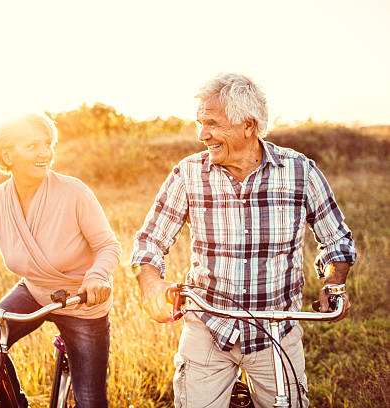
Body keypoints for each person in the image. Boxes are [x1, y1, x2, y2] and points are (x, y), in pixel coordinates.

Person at [130, 73, 356, 407]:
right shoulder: (188, 173)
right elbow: (150, 241)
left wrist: (334, 283)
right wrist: (151, 283)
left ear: (247, 126)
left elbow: (337, 239)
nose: (202, 134)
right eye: (200, 122)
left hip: (277, 332)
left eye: (212, 123)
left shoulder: (299, 171)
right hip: (209, 327)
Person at [0, 113, 120, 408]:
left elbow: (108, 245)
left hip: (82, 302)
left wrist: (97, 277)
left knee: (90, 401)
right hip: (34, 291)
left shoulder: (75, 192)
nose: (45, 152)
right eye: (33, 146)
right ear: (8, 154)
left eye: (48, 144)